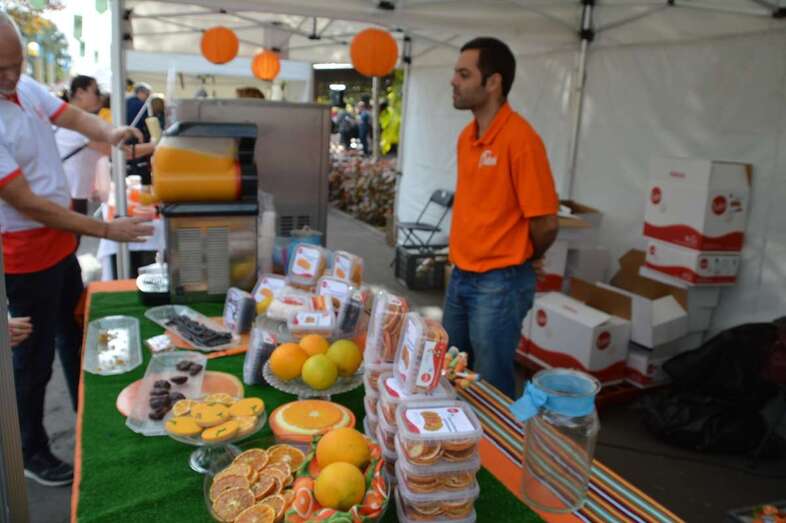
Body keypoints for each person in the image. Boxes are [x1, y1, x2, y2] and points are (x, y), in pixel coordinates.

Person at [0, 12, 152, 487]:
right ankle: (31, 450)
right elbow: (28, 203)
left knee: (75, 331)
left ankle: (88, 410)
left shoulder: (25, 89)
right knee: (32, 359)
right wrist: (106, 231)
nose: (11, 76)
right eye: (0, 69)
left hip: (59, 246)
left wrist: (109, 132)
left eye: (17, 64)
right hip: (23, 258)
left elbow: (70, 115)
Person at [442, 37, 559, 398]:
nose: (453, 81)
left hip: (499, 282)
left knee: (490, 388)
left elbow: (546, 223)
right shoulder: (466, 137)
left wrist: (525, 256)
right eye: (456, 73)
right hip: (461, 276)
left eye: (464, 74)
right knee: (448, 373)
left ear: (493, 82)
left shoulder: (521, 139)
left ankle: (497, 437)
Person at [55, 75, 110, 216]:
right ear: (80, 92)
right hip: (71, 195)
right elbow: (112, 150)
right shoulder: (76, 122)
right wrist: (153, 146)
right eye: (96, 91)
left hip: (69, 191)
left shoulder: (65, 117)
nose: (99, 96)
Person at [125, 82, 152, 184]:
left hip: (123, 140)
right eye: (147, 94)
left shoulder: (124, 102)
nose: (148, 97)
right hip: (137, 141)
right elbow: (147, 123)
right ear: (141, 92)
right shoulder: (142, 106)